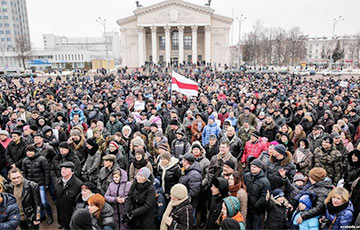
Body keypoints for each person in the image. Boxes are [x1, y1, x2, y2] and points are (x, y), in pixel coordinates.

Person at [21, 145, 53, 225]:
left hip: (40, 183)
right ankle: (41, 216)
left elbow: (46, 172)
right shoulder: (25, 160)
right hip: (30, 185)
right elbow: (24, 173)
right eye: (27, 151)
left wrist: (46, 184)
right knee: (36, 202)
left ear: (34, 152)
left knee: (43, 202)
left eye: (31, 151)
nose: (29, 153)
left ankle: (49, 215)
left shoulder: (42, 159)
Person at [244, 159, 271, 230]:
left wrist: (256, 205)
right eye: (251, 166)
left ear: (260, 168)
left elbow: (264, 196)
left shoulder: (265, 181)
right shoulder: (247, 176)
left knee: (257, 227)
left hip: (258, 210)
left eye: (254, 167)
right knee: (248, 226)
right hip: (247, 207)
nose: (252, 168)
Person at [55, 162, 82, 229]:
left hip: (71, 213)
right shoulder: (58, 181)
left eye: (66, 169)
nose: (63, 170)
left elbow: (78, 202)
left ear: (72, 171)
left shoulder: (78, 184)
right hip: (60, 209)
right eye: (62, 169)